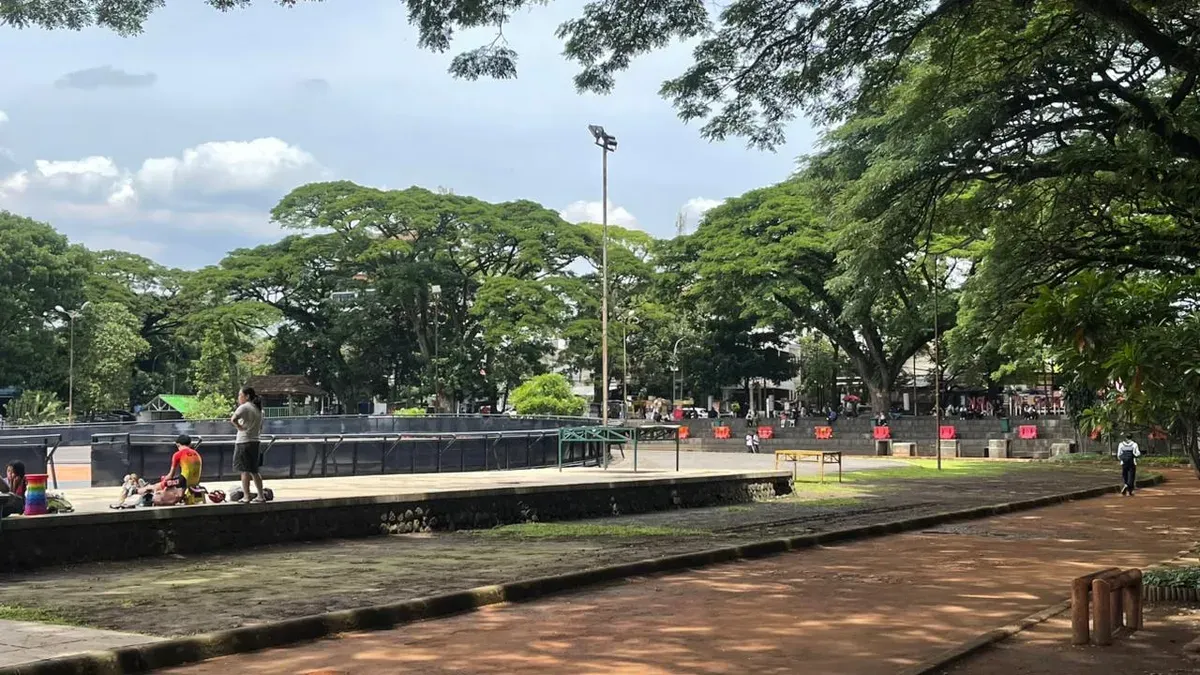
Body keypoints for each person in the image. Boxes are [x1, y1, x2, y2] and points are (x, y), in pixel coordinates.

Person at [231, 386, 266, 504]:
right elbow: (260, 427)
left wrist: (240, 428)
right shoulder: (259, 410)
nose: (238, 398)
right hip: (255, 441)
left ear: (247, 396)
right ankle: (261, 496)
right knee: (254, 470)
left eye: (240, 395)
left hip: (244, 441)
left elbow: (233, 419)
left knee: (244, 470)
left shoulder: (244, 407)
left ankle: (246, 496)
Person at [164, 435, 203, 505]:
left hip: (184, 481)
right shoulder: (197, 454)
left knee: (164, 482)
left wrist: (164, 480)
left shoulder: (177, 454)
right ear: (190, 444)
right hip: (195, 481)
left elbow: (170, 475)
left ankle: (141, 490)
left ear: (178, 444)